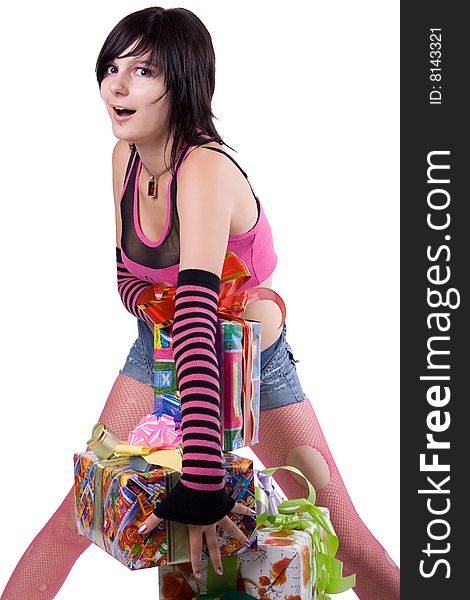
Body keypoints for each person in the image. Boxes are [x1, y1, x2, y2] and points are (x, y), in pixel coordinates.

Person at [0, 6, 399, 600]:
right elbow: (128, 282)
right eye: (111, 68)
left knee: (341, 532)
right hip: (160, 354)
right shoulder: (125, 159)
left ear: (183, 80)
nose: (117, 84)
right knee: (82, 512)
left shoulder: (205, 168)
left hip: (247, 364)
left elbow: (196, 316)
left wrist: (203, 483)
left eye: (142, 71)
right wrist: (155, 311)